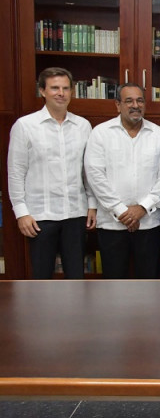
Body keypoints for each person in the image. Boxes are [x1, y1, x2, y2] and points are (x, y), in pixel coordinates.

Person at [7, 67, 96, 279]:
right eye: (54, 88)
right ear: (42, 91)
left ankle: (75, 313)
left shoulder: (83, 126)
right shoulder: (25, 126)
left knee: (76, 277)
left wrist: (92, 205)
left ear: (72, 91)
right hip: (40, 215)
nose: (61, 93)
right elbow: (16, 172)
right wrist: (21, 213)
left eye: (65, 88)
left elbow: (88, 171)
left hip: (76, 213)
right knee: (42, 278)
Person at [84, 83, 160, 279]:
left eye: (139, 100)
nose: (135, 105)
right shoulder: (101, 133)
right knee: (114, 285)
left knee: (150, 285)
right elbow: (95, 175)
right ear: (117, 105)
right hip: (112, 224)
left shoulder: (159, 135)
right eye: (128, 100)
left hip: (149, 223)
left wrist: (142, 208)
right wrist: (122, 211)